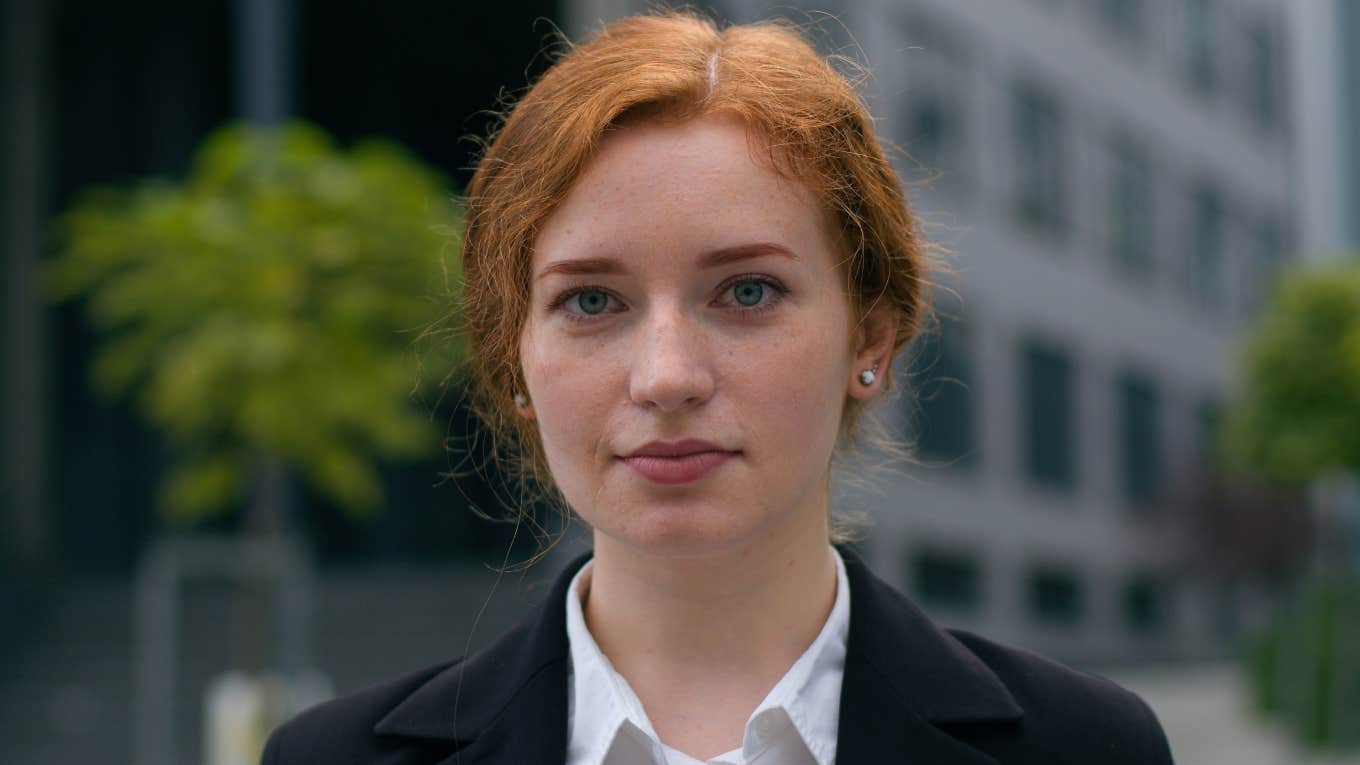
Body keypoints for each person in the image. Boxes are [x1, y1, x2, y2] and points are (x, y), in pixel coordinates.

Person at [262, 11, 1173, 765]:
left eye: (747, 291)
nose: (666, 377)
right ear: (513, 362)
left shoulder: (1088, 748)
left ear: (872, 335)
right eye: (590, 300)